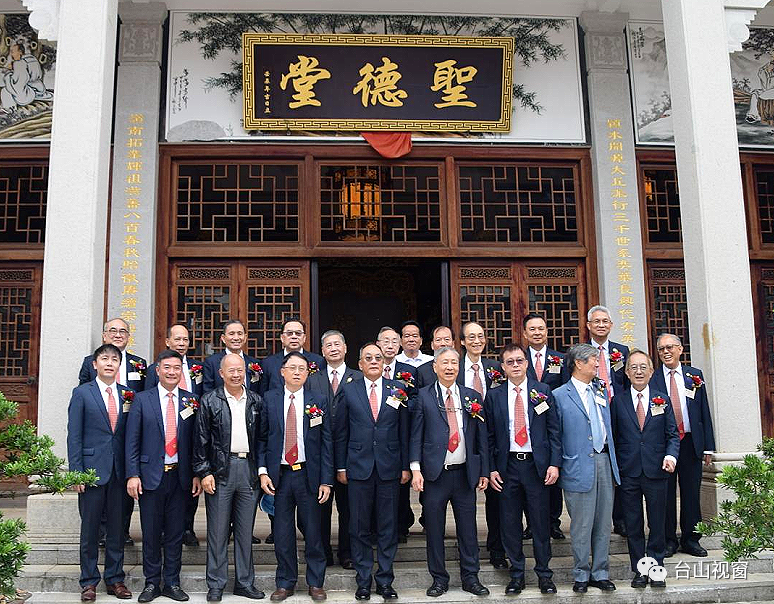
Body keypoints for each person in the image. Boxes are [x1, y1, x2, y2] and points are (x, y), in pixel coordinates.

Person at [410, 346, 489, 597]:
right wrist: (415, 469)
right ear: (435, 367)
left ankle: (471, 577)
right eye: (444, 363)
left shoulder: (471, 396)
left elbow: (481, 438)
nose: (449, 367)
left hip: (464, 474)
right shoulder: (423, 396)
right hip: (436, 475)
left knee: (468, 529)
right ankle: (439, 579)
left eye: (454, 363)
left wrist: (484, 470)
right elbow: (415, 435)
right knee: (435, 530)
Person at [334, 343, 410, 601]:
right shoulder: (349, 390)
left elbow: (403, 430)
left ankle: (385, 580)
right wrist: (341, 466)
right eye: (369, 358)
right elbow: (341, 432)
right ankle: (363, 580)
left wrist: (405, 466)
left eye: (378, 357)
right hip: (358, 468)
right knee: (359, 527)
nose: (374, 361)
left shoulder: (397, 389)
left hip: (389, 468)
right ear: (360, 364)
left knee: (388, 527)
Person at [125, 350, 203, 603]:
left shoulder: (191, 400)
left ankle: (172, 582)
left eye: (176, 368)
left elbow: (195, 442)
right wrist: (133, 474)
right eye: (167, 367)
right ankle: (151, 583)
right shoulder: (142, 399)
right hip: (150, 477)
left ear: (182, 371)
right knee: (150, 532)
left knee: (175, 533)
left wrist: (196, 474)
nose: (172, 372)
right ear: (157, 370)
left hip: (180, 477)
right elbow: (132, 440)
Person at [485, 344, 559, 595]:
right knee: (510, 523)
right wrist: (491, 469)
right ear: (503, 367)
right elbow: (489, 437)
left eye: (519, 361)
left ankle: (544, 575)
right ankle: (516, 574)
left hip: (536, 466)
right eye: (510, 362)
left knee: (540, 522)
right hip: (507, 467)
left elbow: (554, 430)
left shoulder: (543, 391)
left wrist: (554, 463)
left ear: (527, 363)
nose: (515, 365)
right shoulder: (494, 396)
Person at [258, 352, 332, 602]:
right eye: (292, 368)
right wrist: (262, 472)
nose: (297, 372)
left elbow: (326, 442)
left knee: (313, 531)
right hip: (279, 476)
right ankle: (285, 582)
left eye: (302, 368)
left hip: (308, 474)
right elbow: (262, 438)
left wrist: (326, 480)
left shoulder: (318, 400)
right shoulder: (270, 399)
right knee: (282, 533)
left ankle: (316, 582)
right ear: (282, 372)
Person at [193, 354, 265, 602]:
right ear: (221, 373)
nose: (236, 375)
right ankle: (216, 583)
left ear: (245, 372)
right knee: (218, 531)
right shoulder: (209, 400)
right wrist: (204, 472)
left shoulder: (255, 400)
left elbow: (262, 439)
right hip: (220, 471)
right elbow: (200, 440)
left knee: (245, 532)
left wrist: (261, 471)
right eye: (231, 370)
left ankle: (245, 583)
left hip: (248, 470)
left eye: (240, 370)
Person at [67, 344, 132, 602]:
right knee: (91, 530)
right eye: (104, 358)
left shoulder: (128, 395)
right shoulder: (82, 393)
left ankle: (115, 579)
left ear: (119, 365)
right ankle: (88, 581)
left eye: (114, 359)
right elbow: (74, 435)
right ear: (95, 364)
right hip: (91, 471)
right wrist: (76, 472)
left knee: (117, 529)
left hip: (119, 472)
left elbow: (130, 436)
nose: (109, 363)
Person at [552, 343, 620, 593]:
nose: (598, 365)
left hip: (604, 461)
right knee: (581, 525)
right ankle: (581, 573)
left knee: (603, 523)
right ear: (579, 363)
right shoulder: (559, 395)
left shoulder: (600, 389)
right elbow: (555, 436)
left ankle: (600, 572)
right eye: (593, 360)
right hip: (577, 465)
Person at [611, 349, 678, 588]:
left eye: (643, 367)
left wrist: (671, 456)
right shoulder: (617, 401)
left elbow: (672, 434)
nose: (638, 371)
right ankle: (640, 569)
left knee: (657, 523)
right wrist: (615, 469)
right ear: (627, 373)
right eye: (633, 367)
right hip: (629, 471)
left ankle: (657, 568)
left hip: (656, 470)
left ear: (651, 372)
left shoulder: (662, 399)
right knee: (633, 524)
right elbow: (614, 437)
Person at [77, 318, 146, 546]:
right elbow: (83, 394)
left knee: (123, 494)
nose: (118, 334)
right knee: (96, 496)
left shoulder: (139, 364)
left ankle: (121, 531)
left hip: (126, 435)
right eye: (113, 331)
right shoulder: (90, 362)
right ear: (104, 335)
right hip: (99, 437)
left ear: (128, 336)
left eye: (123, 331)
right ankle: (100, 533)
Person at [651, 333, 716, 558]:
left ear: (680, 349)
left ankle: (691, 539)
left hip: (690, 442)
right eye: (661, 349)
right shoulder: (653, 378)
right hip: (664, 445)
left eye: (670, 347)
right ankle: (668, 540)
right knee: (666, 494)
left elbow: (704, 411)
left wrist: (708, 446)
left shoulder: (693, 376)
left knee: (690, 493)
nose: (666, 352)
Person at [144, 324, 203, 547]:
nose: (181, 343)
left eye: (185, 339)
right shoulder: (155, 369)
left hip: (189, 429)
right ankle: (162, 531)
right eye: (177, 339)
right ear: (168, 341)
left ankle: (188, 528)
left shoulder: (198, 368)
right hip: (163, 432)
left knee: (188, 491)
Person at [306, 330, 360, 568]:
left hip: (351, 453)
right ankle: (323, 552)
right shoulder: (312, 379)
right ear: (322, 351)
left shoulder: (358, 378)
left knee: (349, 508)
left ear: (345, 348)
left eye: (337, 344)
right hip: (320, 454)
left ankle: (347, 553)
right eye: (328, 345)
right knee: (320, 507)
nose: (334, 348)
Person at [458, 321, 507, 568]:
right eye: (471, 337)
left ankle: (497, 549)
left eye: (480, 336)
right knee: (463, 497)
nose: (477, 341)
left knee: (496, 497)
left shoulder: (495, 368)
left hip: (493, 439)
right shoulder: (454, 368)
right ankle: (466, 548)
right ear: (462, 342)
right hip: (463, 440)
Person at [522, 313, 569, 540]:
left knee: (553, 473)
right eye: (532, 329)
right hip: (526, 425)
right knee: (530, 478)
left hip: (553, 424)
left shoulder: (560, 359)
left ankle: (553, 522)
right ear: (525, 333)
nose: (537, 333)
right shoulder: (519, 359)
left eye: (541, 328)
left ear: (547, 331)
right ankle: (532, 524)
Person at [585, 305, 628, 536]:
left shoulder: (622, 351)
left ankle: (620, 518)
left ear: (611, 325)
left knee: (618, 463)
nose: (601, 325)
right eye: (596, 321)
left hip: (617, 412)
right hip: (592, 413)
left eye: (605, 321)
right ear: (588, 325)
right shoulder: (580, 351)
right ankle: (595, 518)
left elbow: (627, 383)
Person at [376, 325, 418, 542]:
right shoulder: (370, 367)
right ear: (378, 344)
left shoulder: (408, 371)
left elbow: (417, 400)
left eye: (394, 341)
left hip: (402, 432)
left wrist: (402, 404)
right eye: (386, 341)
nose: (390, 345)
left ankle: (401, 526)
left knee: (401, 481)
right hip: (378, 435)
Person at [259, 319, 325, 395]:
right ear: (282, 338)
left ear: (304, 338)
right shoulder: (268, 363)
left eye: (298, 333)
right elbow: (262, 394)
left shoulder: (318, 361)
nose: (294, 337)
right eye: (289, 333)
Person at [202, 320, 262, 394]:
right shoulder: (212, 363)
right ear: (223, 338)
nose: (236, 338)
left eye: (240, 334)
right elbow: (208, 393)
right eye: (231, 334)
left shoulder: (254, 362)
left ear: (245, 337)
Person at [0, 42, 53, 111]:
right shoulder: (32, 59)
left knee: (5, 91)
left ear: (20, 52)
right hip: (38, 89)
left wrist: (8, 75)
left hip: (27, 94)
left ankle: (10, 109)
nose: (11, 54)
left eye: (12, 52)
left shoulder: (19, 64)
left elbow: (17, 84)